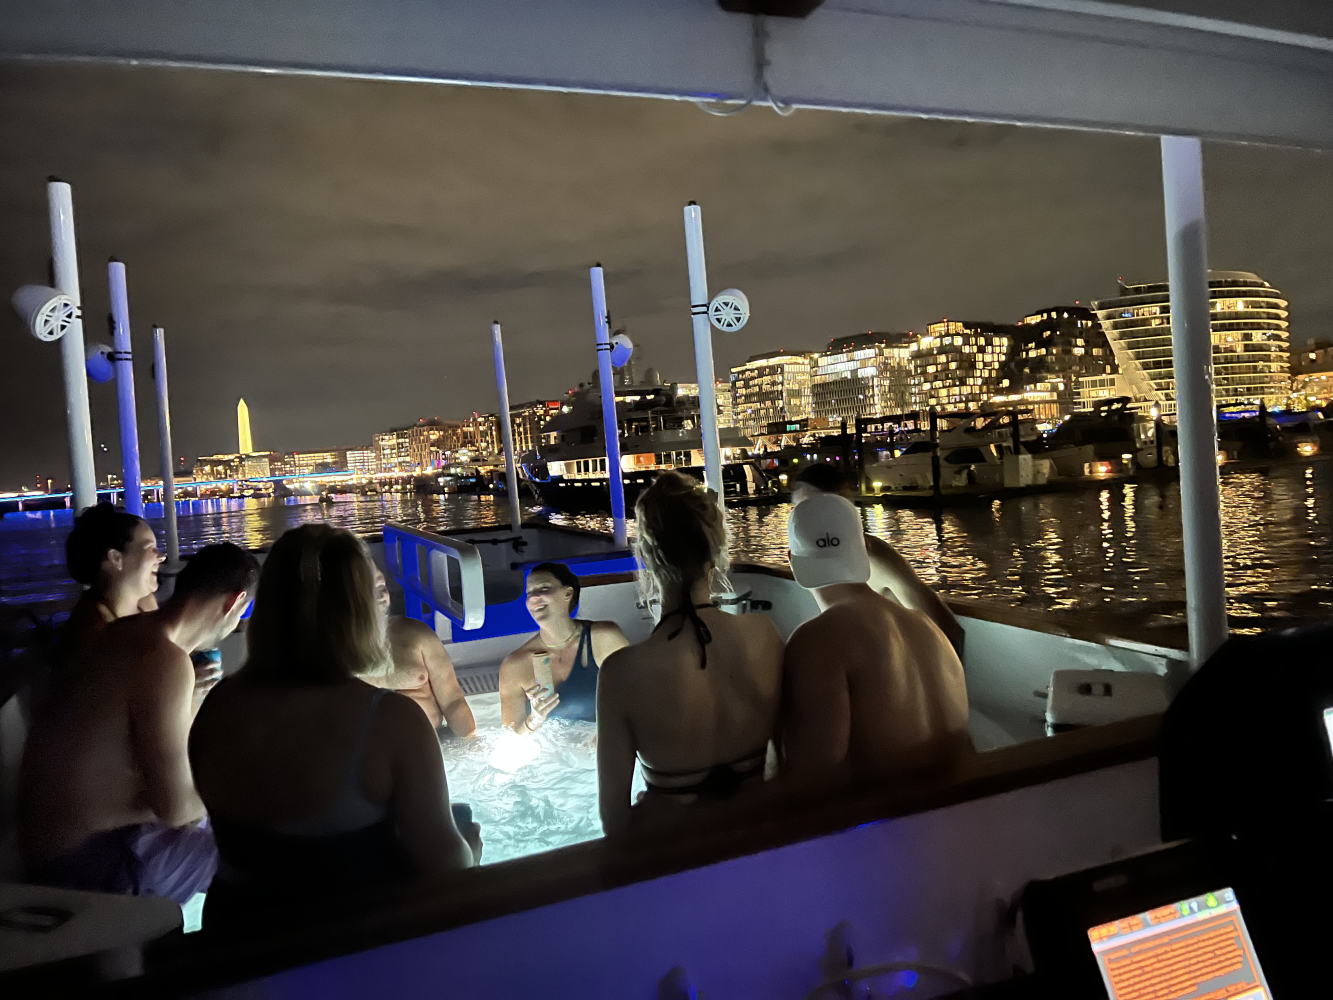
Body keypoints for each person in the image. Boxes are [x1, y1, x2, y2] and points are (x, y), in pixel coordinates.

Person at [189, 525, 479, 930]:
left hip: (235, 939)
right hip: (347, 951)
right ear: (358, 612)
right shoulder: (390, 721)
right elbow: (446, 867)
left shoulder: (215, 707)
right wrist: (470, 847)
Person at [18, 543, 259, 904]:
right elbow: (175, 808)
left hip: (46, 848)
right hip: (88, 865)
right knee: (257, 850)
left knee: (220, 820)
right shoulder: (165, 659)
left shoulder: (126, 633)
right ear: (234, 603)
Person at [597, 471, 784, 835]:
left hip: (677, 852)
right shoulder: (765, 634)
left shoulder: (622, 672)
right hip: (761, 838)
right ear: (715, 551)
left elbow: (614, 822)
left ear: (648, 558)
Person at [780, 492, 970, 784]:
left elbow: (811, 782)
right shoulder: (929, 629)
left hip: (895, 825)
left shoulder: (817, 641)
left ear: (792, 560)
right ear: (866, 547)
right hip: (963, 817)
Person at [791, 463, 965, 656]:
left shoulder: (875, 556)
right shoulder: (820, 561)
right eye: (799, 511)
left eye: (811, 508)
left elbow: (947, 630)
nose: (804, 519)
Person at [498, 562, 628, 732]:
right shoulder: (515, 666)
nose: (534, 598)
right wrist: (534, 721)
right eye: (529, 593)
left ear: (568, 593)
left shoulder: (603, 639)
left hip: (601, 749)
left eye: (543, 589)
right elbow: (510, 744)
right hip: (551, 756)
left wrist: (607, 739)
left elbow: (637, 701)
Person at [369, 568, 476, 736]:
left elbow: (452, 701)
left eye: (382, 586)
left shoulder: (417, 635)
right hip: (374, 752)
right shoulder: (331, 653)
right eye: (369, 588)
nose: (382, 596)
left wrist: (471, 741)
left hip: (432, 742)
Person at [62, 502, 165, 656]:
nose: (161, 556)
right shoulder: (94, 629)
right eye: (150, 548)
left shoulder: (146, 603)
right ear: (116, 558)